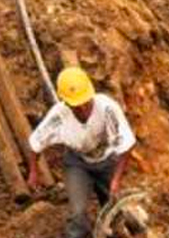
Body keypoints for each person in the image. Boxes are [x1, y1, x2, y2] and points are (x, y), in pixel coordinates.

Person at [27, 67, 136, 238]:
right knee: (77, 214)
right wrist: (34, 172)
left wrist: (116, 180)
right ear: (66, 103)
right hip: (77, 163)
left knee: (114, 209)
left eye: (86, 102)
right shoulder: (58, 116)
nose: (83, 108)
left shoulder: (107, 108)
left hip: (107, 161)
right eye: (77, 106)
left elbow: (127, 145)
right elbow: (36, 143)